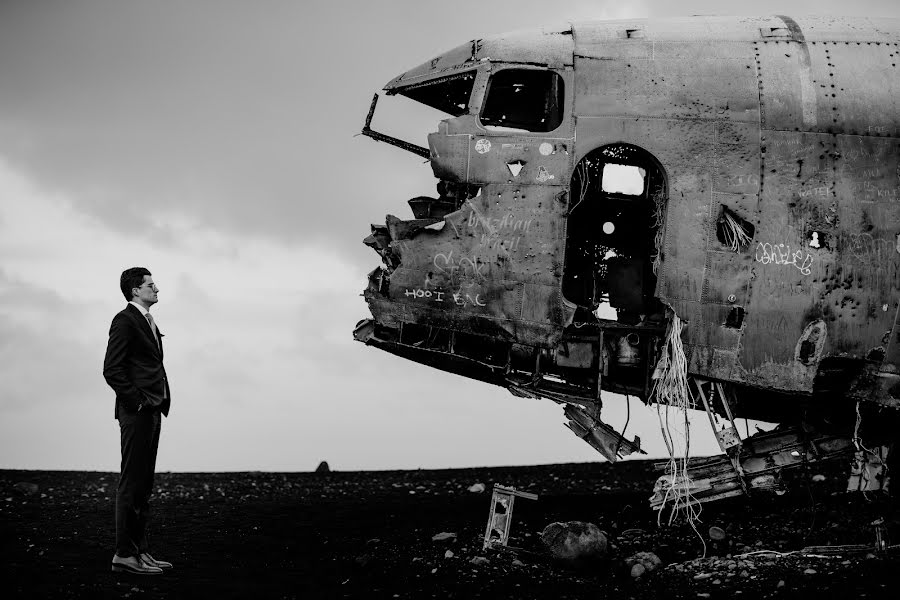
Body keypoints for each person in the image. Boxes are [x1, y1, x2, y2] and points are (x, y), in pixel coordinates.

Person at [103, 267, 173, 575]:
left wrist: (155, 403)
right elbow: (112, 369)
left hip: (153, 410)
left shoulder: (148, 320)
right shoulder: (125, 320)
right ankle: (124, 555)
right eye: (150, 284)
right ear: (135, 290)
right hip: (137, 413)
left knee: (144, 485)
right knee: (131, 483)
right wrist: (139, 402)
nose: (156, 288)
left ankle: (141, 552)